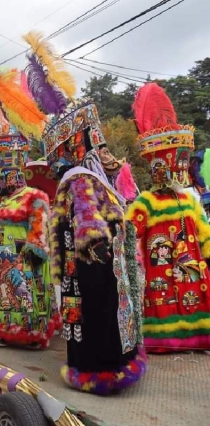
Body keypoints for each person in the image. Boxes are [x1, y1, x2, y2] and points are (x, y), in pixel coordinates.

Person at [44, 102, 146, 393]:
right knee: (98, 315)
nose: (104, 152)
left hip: (98, 267)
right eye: (97, 144)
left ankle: (105, 365)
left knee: (102, 315)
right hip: (93, 267)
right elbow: (88, 222)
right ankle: (103, 369)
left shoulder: (86, 178)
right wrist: (98, 246)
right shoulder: (80, 178)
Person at [126, 83, 210, 353]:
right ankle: (165, 339)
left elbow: (204, 231)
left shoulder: (189, 199)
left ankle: (196, 336)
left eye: (181, 166)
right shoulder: (146, 202)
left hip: (192, 271)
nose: (179, 172)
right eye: (173, 166)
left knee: (193, 294)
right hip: (160, 272)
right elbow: (129, 233)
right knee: (163, 298)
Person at [0, 125, 60, 349]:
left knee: (27, 296)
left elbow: (41, 226)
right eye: (1, 176)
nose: (4, 180)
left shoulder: (34, 195)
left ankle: (34, 334)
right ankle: (7, 332)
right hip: (2, 259)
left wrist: (33, 250)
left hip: (24, 258)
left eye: (8, 176)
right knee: (3, 298)